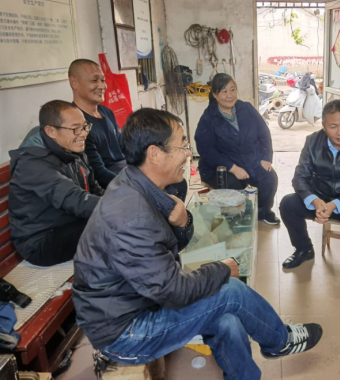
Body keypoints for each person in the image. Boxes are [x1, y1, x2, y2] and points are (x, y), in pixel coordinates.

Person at [72, 108, 323, 380]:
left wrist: (182, 224)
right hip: (125, 332)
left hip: (141, 300)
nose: (188, 154)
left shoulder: (138, 183)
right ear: (154, 153)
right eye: (182, 145)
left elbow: (162, 251)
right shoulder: (132, 215)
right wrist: (222, 269)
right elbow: (175, 291)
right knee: (231, 291)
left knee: (228, 320)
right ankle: (280, 341)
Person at [280, 100, 340, 279]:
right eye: (333, 126)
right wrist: (314, 200)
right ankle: (304, 249)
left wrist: (336, 204)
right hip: (319, 197)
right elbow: (300, 177)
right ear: (324, 126)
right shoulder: (312, 142)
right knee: (288, 204)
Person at [8, 100, 103, 266]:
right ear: (51, 131)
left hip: (69, 223)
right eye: (75, 129)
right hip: (41, 242)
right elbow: (76, 200)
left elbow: (94, 189)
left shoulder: (72, 150)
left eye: (85, 126)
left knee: (118, 222)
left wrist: (124, 201)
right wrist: (123, 209)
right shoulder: (33, 164)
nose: (83, 133)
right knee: (112, 227)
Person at [195, 73, 280, 225]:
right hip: (220, 166)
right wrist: (233, 168)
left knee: (269, 178)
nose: (230, 95)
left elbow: (263, 133)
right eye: (224, 91)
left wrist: (266, 157)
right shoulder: (209, 118)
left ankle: (262, 212)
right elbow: (207, 150)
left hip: (250, 159)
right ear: (215, 94)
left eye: (232, 90)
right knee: (233, 185)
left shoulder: (246, 108)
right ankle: (237, 216)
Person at [69, 58, 127, 188]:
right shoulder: (76, 123)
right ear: (74, 83)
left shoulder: (107, 112)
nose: (102, 86)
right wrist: (134, 184)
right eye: (94, 80)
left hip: (125, 172)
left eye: (103, 80)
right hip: (110, 186)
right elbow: (99, 173)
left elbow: (122, 148)